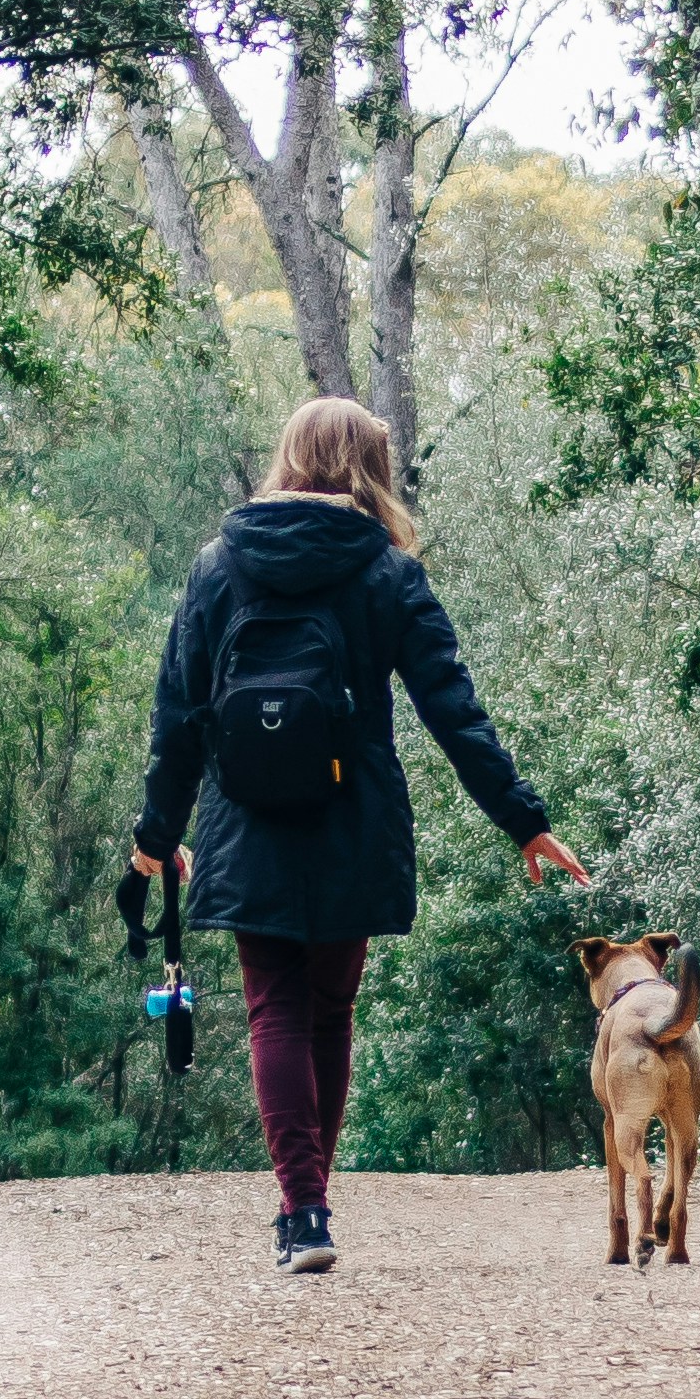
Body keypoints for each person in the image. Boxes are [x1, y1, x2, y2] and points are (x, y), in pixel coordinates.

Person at [132, 396, 583, 1272]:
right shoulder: (384, 570)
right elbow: (452, 707)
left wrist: (157, 831)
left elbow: (178, 713)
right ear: (364, 466)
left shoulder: (219, 564)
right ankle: (313, 1204)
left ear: (291, 455)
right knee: (329, 1010)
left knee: (274, 1009)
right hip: (353, 815)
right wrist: (523, 821)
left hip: (247, 818)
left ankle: (302, 1213)